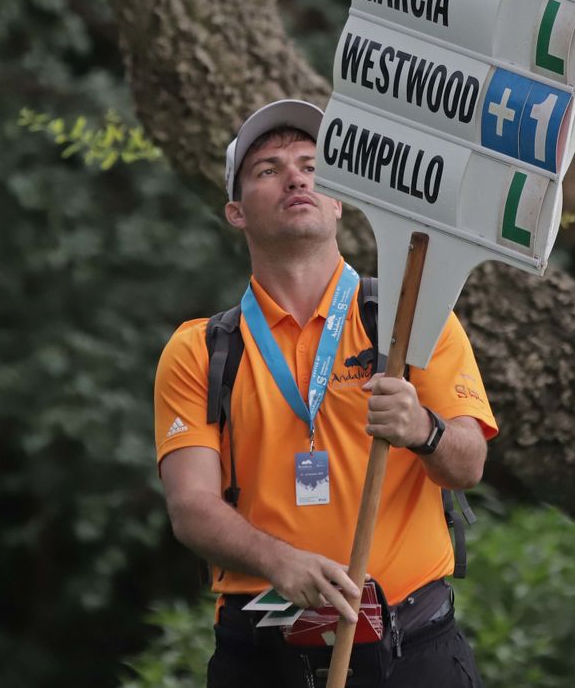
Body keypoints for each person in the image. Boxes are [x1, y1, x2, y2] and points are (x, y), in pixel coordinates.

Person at [153, 99, 497, 686]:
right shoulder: (200, 350)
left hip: (412, 649)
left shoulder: (408, 316)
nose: (295, 177)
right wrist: (280, 562)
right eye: (268, 169)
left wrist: (425, 430)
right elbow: (191, 509)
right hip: (261, 658)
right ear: (236, 212)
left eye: (313, 166)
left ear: (338, 199)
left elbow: (468, 464)